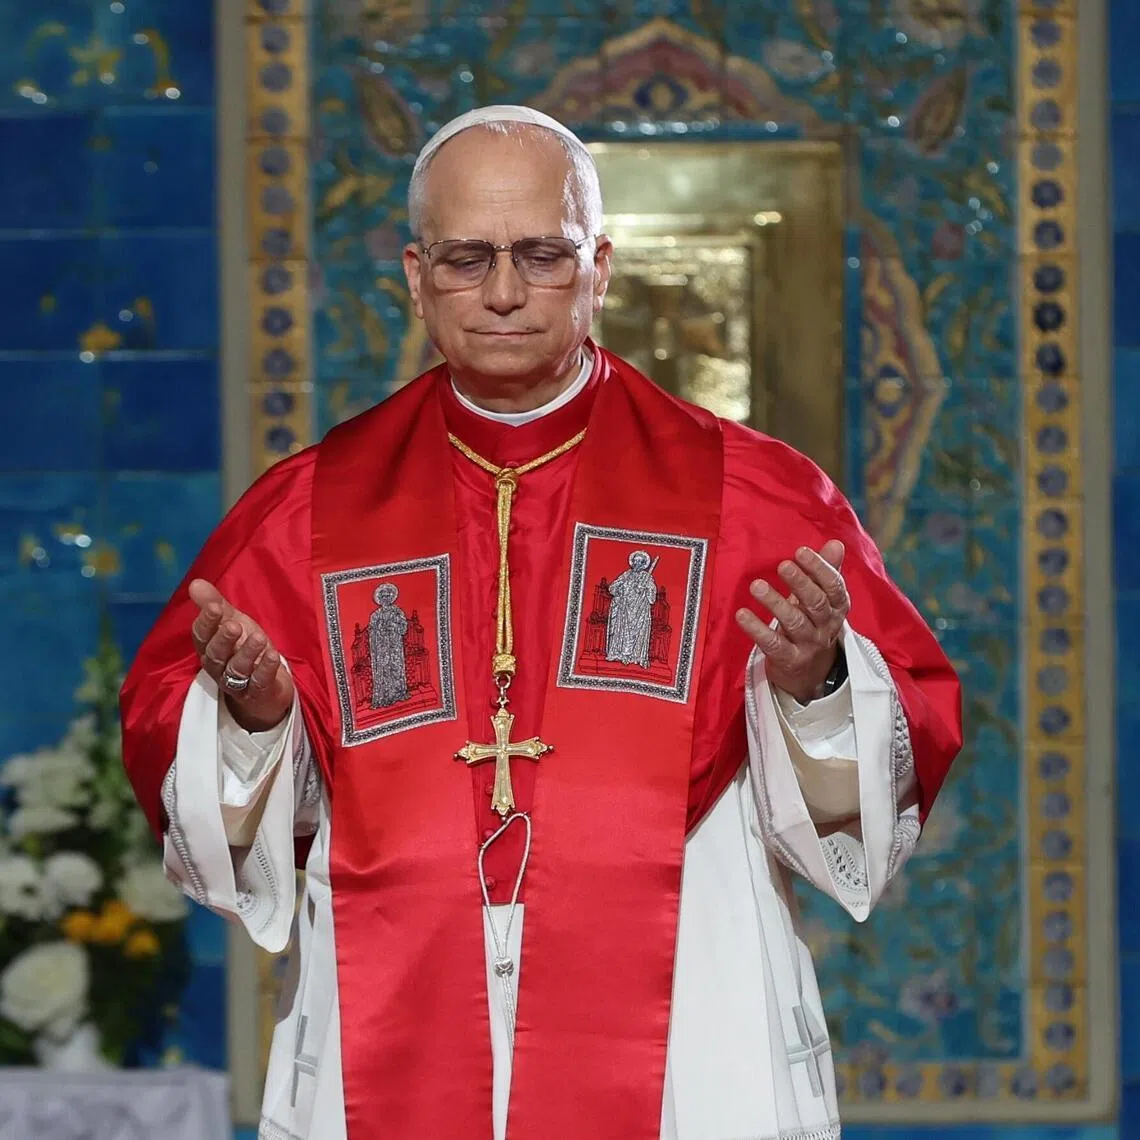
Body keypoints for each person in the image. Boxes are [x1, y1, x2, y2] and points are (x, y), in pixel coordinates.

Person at [120, 105, 962, 1140]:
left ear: (600, 267)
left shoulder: (752, 497)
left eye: (542, 255)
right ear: (416, 277)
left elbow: (901, 741)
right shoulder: (307, 513)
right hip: (400, 993)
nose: (506, 292)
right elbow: (181, 755)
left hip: (686, 1007)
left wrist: (816, 680)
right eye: (468, 259)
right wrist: (253, 717)